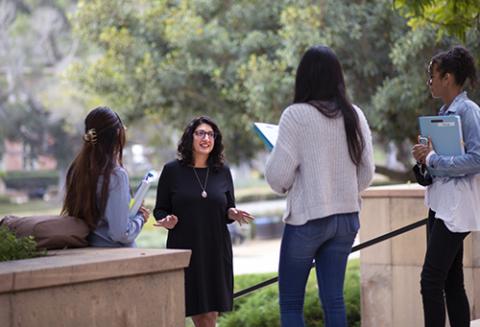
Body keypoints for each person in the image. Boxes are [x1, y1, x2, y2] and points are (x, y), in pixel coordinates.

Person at [264, 45, 375, 327]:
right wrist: (340, 192)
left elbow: (277, 179)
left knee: (291, 303)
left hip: (307, 221)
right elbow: (367, 173)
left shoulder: (295, 115)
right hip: (347, 219)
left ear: (304, 77)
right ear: (338, 77)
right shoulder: (355, 115)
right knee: (334, 300)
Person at [153, 116, 254, 327]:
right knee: (198, 310)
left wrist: (233, 214)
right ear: (190, 138)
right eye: (201, 133)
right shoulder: (172, 171)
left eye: (211, 134)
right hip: (185, 248)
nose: (206, 138)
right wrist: (166, 220)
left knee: (210, 313)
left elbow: (228, 208)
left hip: (216, 249)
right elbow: (160, 209)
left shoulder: (222, 171)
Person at [412, 45, 479, 327]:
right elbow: (436, 164)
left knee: (430, 281)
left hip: (456, 209)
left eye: (432, 76)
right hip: (439, 204)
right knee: (452, 281)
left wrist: (435, 158)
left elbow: (477, 158)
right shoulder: (443, 112)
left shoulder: (468, 111)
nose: (430, 82)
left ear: (447, 77)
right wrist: (423, 161)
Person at [61, 106, 150, 247]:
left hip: (86, 252)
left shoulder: (76, 170)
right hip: (117, 258)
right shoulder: (115, 175)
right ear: (117, 133)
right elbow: (121, 233)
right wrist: (140, 218)